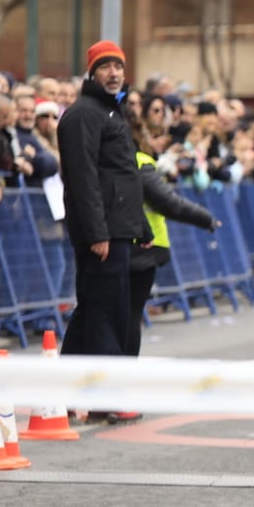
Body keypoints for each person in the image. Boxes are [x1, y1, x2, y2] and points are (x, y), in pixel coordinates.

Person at [57, 40, 151, 420]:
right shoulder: (83, 114)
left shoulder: (111, 112)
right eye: (105, 66)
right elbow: (83, 179)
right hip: (103, 233)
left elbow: (125, 177)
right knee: (106, 314)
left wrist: (140, 226)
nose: (114, 73)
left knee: (94, 312)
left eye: (119, 66)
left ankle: (60, 394)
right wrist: (97, 233)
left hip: (118, 229)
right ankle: (106, 399)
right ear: (92, 72)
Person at [129, 113, 217, 355]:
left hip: (134, 243)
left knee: (124, 314)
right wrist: (205, 218)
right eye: (152, 136)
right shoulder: (141, 161)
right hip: (144, 245)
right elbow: (167, 202)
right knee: (129, 316)